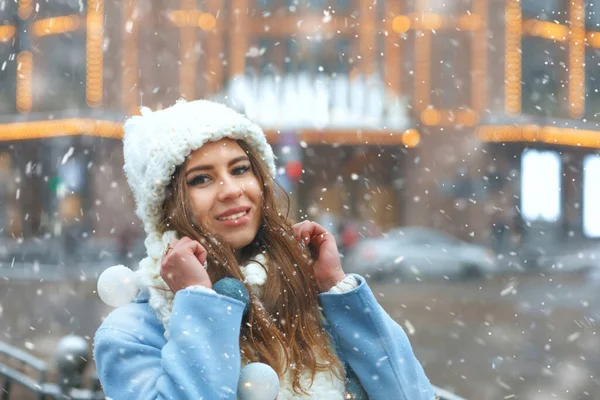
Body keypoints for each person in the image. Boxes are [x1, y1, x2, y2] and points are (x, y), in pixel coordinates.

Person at [93, 99, 435, 400]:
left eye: (240, 169)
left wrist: (335, 287)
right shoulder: (133, 333)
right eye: (201, 179)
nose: (231, 190)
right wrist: (198, 300)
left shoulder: (312, 300)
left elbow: (411, 394)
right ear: (166, 207)